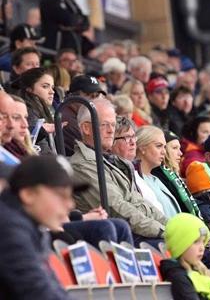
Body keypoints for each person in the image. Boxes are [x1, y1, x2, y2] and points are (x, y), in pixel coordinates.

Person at [70, 98, 167, 241]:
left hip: (137, 233)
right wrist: (164, 232)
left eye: (113, 125)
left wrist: (170, 226)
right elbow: (116, 209)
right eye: (105, 125)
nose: (111, 131)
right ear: (86, 128)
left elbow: (139, 203)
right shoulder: (83, 164)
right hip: (122, 239)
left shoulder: (110, 161)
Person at [0, 155, 85, 299]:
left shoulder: (32, 226)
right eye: (60, 195)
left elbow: (52, 287)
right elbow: (37, 292)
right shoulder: (9, 229)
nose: (71, 205)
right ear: (28, 194)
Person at [152, 130, 202, 218]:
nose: (180, 153)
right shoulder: (158, 176)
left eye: (179, 148)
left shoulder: (171, 175)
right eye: (174, 148)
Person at [136, 125, 181, 218]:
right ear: (142, 148)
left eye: (164, 147)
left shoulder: (155, 179)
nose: (164, 152)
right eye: (159, 146)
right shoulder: (135, 179)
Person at [61, 74, 106, 156]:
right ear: (73, 96)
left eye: (97, 96)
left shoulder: (83, 115)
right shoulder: (67, 119)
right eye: (90, 96)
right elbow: (93, 150)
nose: (94, 100)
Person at [18, 67, 56, 154]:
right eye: (45, 86)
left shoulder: (41, 108)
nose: (52, 92)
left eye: (52, 87)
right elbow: (43, 150)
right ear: (29, 89)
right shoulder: (29, 111)